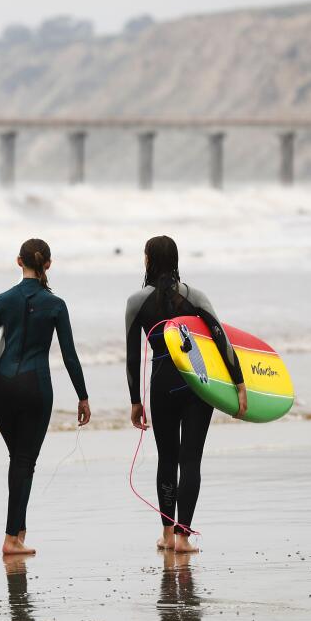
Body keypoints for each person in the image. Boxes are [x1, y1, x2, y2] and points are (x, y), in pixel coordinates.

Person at [125, 235, 246, 554]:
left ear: (148, 260)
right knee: (190, 460)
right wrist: (239, 384)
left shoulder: (137, 302)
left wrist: (135, 400)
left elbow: (132, 357)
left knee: (167, 458)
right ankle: (182, 538)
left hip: (162, 384)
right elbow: (221, 341)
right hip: (197, 384)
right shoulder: (196, 297)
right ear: (176, 260)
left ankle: (166, 535)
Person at [0, 238, 90, 556]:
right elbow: (69, 356)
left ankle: (19, 529)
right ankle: (12, 537)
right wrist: (82, 396)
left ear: (18, 262)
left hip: (1, 388)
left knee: (19, 460)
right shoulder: (55, 305)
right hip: (35, 389)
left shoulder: (1, 300)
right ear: (49, 265)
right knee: (24, 461)